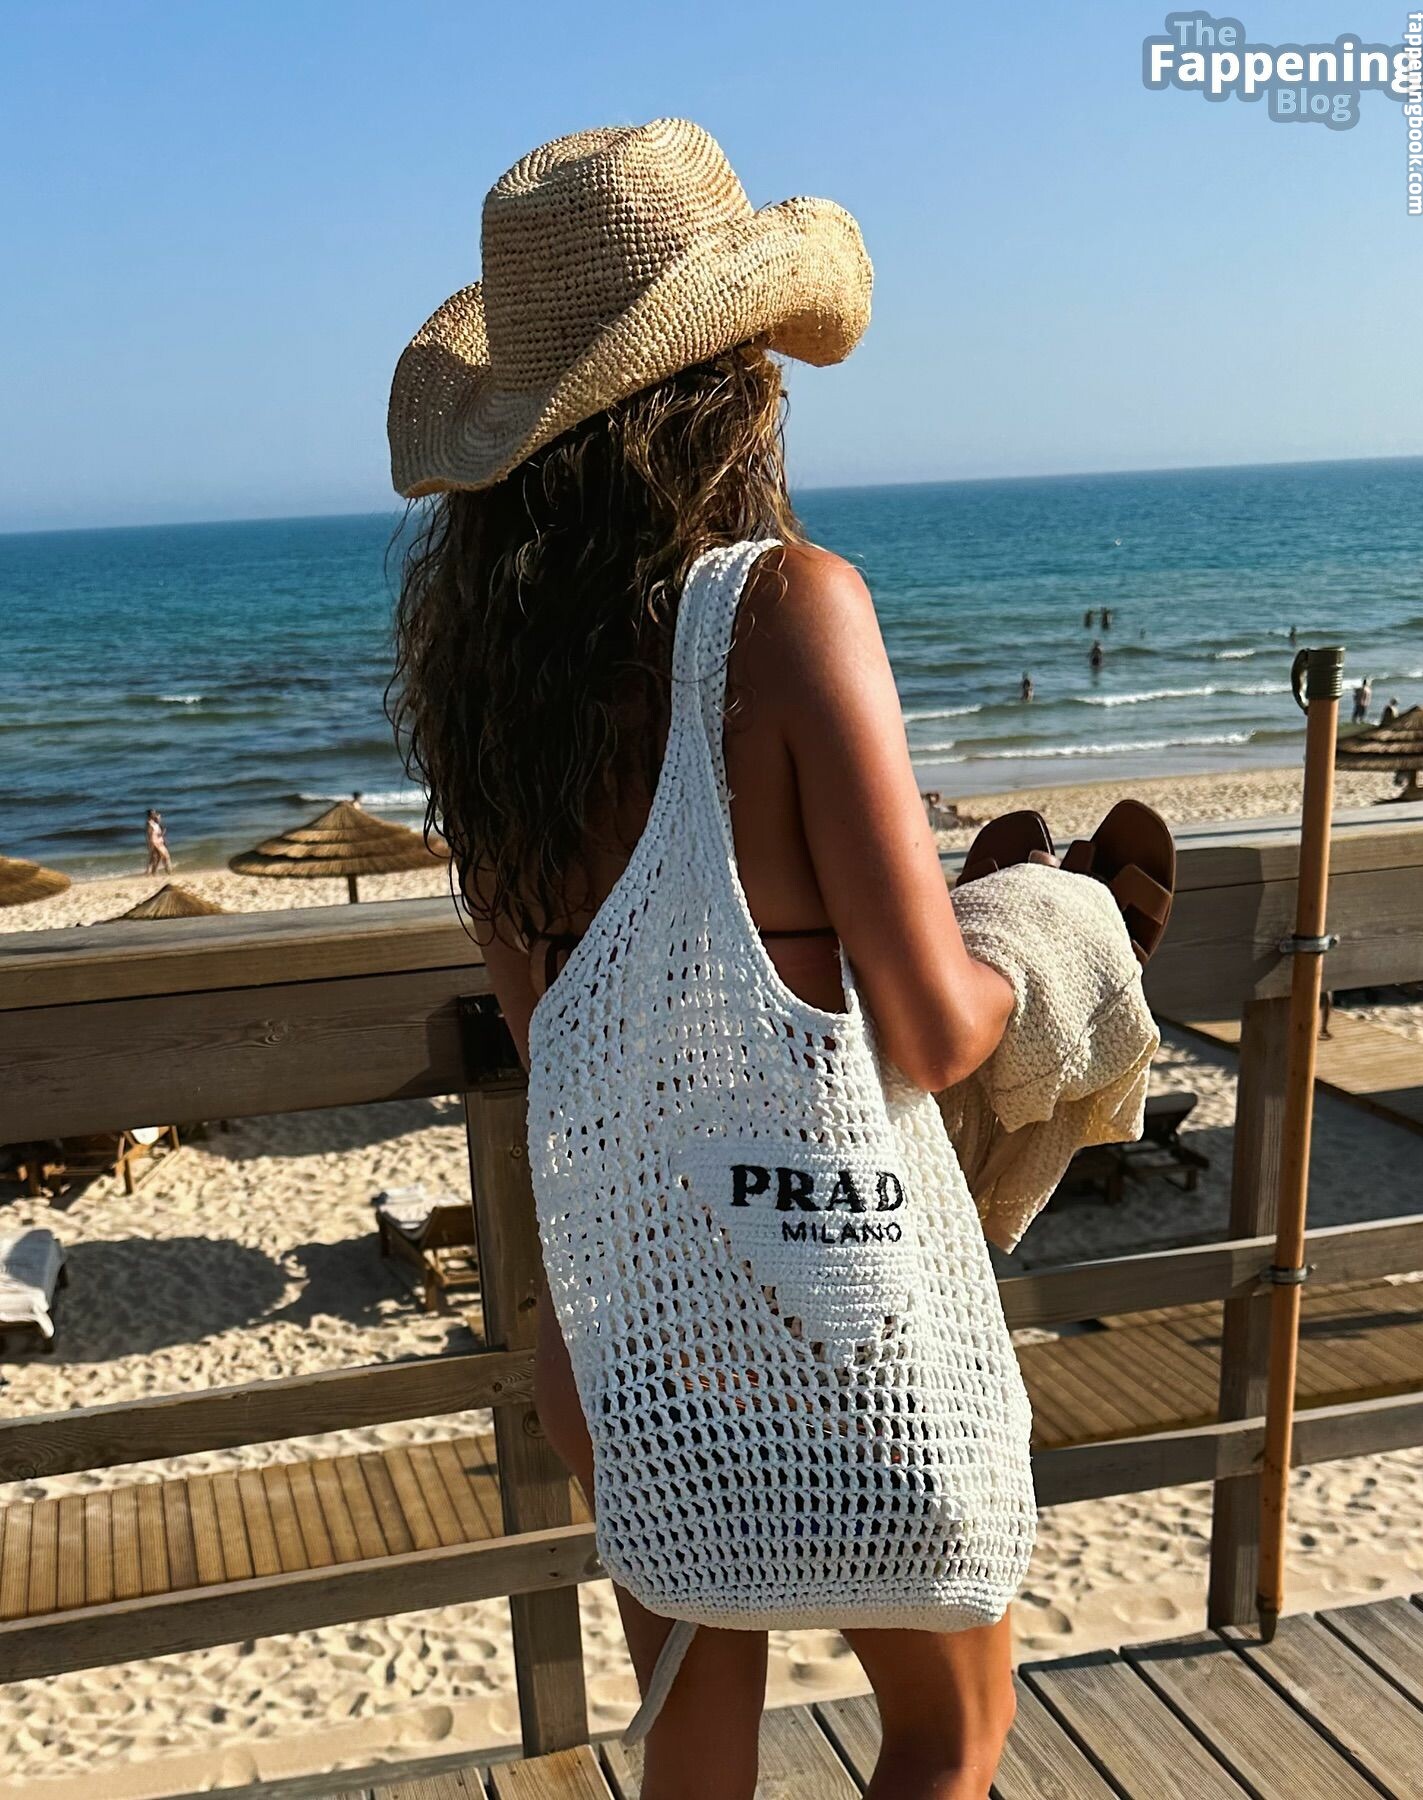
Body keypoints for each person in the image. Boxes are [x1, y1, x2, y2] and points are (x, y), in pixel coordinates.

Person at [388, 121, 1031, 1800]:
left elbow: (573, 1044)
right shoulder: (784, 610)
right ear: (728, 385)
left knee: (693, 1756)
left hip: (627, 1332)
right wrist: (1041, 947)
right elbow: (936, 1031)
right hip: (829, 1306)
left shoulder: (482, 697)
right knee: (950, 1734)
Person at [145, 809, 172, 873]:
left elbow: (159, 830)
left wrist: (162, 836)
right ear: (150, 815)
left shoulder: (154, 822)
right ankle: (167, 871)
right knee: (160, 856)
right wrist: (150, 844)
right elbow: (149, 835)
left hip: (158, 841)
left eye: (154, 813)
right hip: (155, 842)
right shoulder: (149, 823)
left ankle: (154, 872)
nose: (154, 814)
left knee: (158, 857)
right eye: (153, 813)